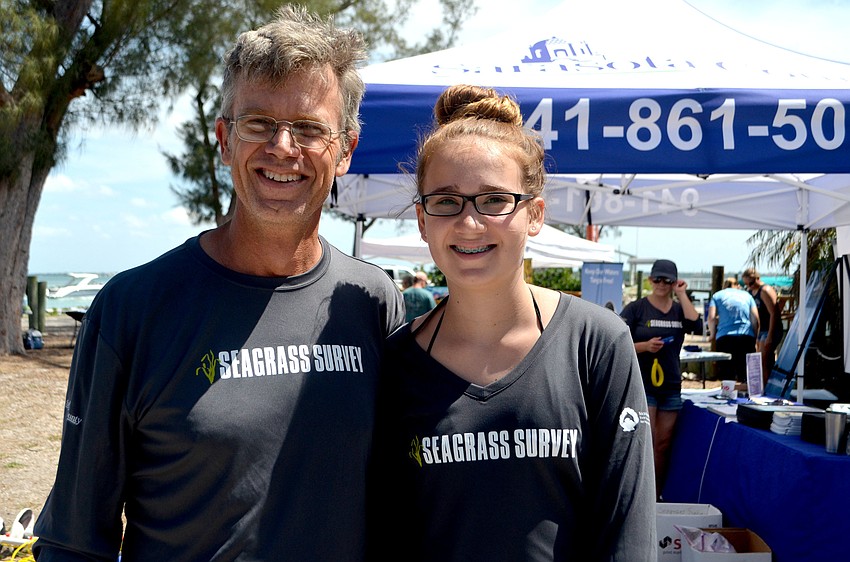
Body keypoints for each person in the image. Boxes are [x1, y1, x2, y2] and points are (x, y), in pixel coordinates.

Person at [33, 7, 404, 561]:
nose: (283, 147)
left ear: (346, 149)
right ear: (225, 139)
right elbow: (74, 541)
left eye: (309, 128)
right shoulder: (131, 311)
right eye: (259, 123)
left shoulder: (373, 304)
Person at [372, 84, 656, 560]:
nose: (469, 223)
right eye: (446, 201)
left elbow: (628, 534)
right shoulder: (395, 363)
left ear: (534, 215)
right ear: (422, 220)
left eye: (494, 200)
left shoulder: (597, 343)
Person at [620, 259, 701, 497]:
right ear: (650, 280)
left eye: (667, 280)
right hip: (643, 383)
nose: (662, 284)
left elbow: (696, 325)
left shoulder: (678, 309)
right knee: (647, 440)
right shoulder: (636, 308)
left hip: (671, 385)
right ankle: (639, 494)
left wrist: (682, 294)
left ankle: (656, 494)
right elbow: (617, 342)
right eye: (657, 279)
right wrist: (644, 346)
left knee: (663, 444)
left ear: (674, 282)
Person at [708, 277, 759, 384]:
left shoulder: (717, 296)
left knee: (727, 374)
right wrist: (754, 336)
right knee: (746, 375)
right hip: (746, 336)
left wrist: (712, 334)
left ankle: (728, 392)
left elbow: (711, 318)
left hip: (724, 337)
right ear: (737, 286)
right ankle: (746, 392)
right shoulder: (747, 296)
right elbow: (755, 319)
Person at [742, 267, 784, 386]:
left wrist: (770, 335)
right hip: (761, 329)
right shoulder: (751, 292)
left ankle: (766, 385)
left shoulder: (765, 290)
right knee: (760, 360)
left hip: (770, 328)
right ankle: (762, 384)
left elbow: (774, 313)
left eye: (751, 283)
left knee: (764, 360)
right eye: (746, 284)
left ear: (757, 278)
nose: (749, 286)